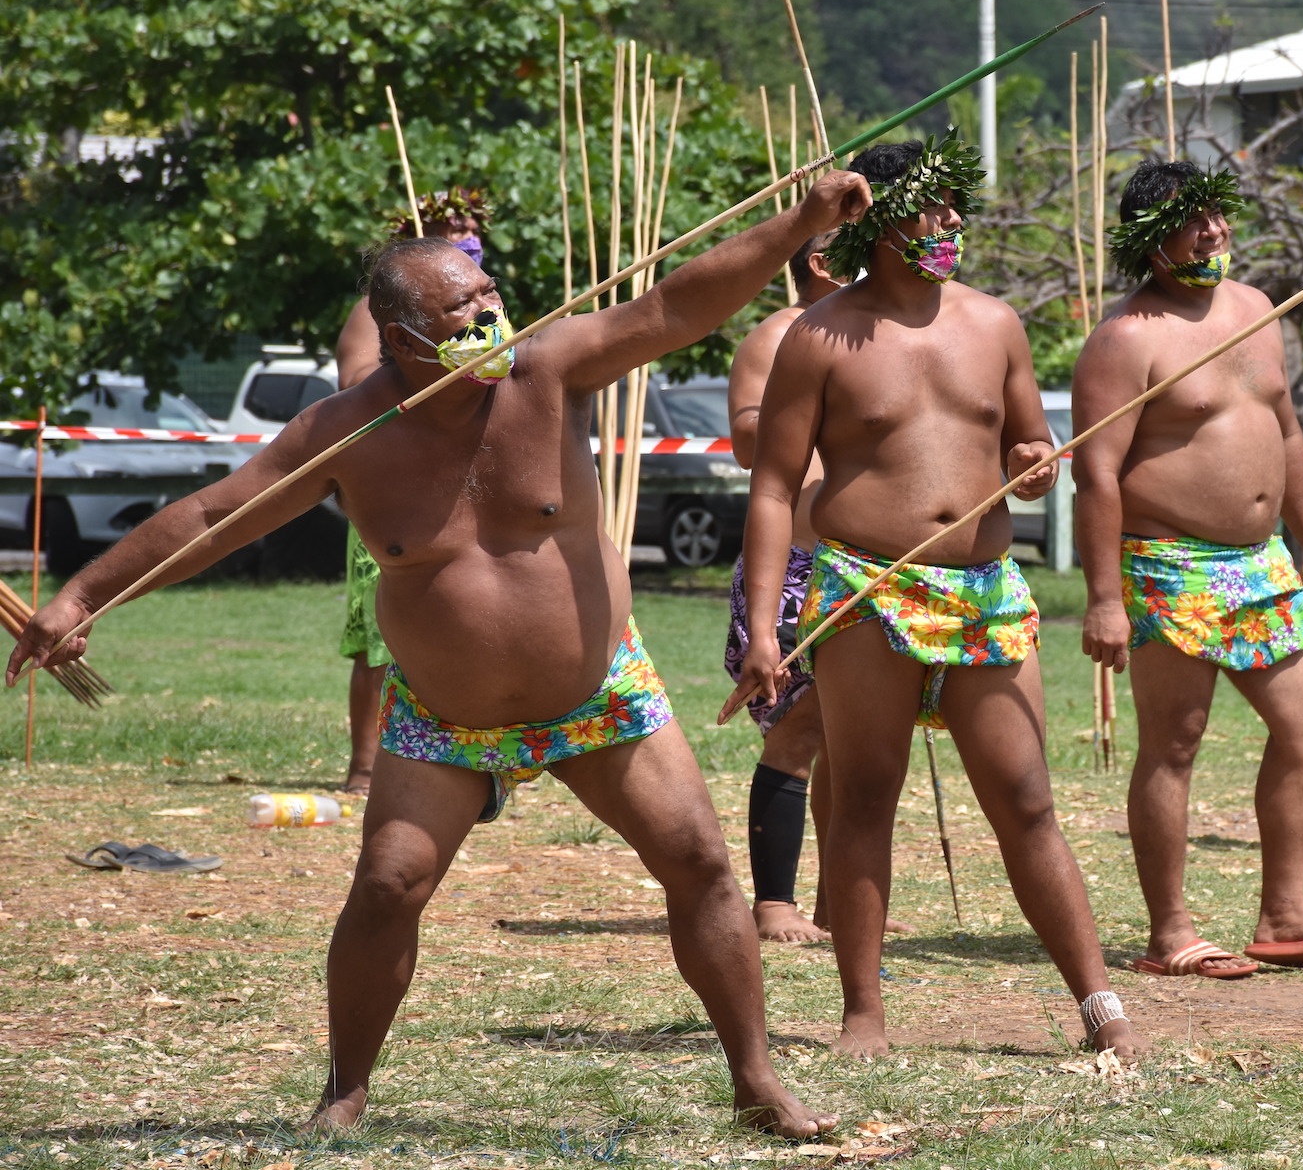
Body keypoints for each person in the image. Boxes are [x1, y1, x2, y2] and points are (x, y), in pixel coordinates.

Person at [9, 170, 873, 1138]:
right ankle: (343, 1090)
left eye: (491, 297)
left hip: (597, 691)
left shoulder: (550, 369)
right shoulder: (348, 432)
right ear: (405, 342)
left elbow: (677, 304)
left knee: (701, 862)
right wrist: (86, 592)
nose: (490, 319)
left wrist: (797, 222)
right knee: (387, 882)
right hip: (443, 714)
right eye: (464, 312)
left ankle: (756, 1078)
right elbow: (218, 513)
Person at [722, 130, 1144, 1060]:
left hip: (984, 591)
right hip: (867, 589)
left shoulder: (994, 324)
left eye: (955, 204)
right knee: (866, 794)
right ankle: (862, 1014)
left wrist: (1035, 468)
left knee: (1027, 798)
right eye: (929, 205)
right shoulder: (817, 337)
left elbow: (1030, 444)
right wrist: (764, 625)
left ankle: (1099, 1006)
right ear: (872, 217)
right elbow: (771, 486)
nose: (951, 220)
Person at [1073, 160, 1303, 978]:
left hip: (1261, 560)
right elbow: (1097, 472)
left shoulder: (1253, 310)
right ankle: (1170, 934)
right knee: (1176, 740)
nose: (1215, 232)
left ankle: (1285, 916)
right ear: (1149, 238)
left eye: (1218, 216)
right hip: (1170, 561)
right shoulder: (1125, 339)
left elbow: (1284, 433)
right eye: (1193, 221)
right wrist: (1104, 597)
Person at [333, 187, 491, 797]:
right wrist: (427, 367)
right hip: (395, 497)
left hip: (463, 496)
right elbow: (354, 385)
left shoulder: (477, 312)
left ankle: (471, 760)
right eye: (454, 234)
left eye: (473, 238)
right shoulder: (371, 315)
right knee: (380, 638)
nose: (466, 243)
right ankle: (365, 767)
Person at [725, 233, 841, 943]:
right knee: (801, 730)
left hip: (873, 565)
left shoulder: (887, 334)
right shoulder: (774, 338)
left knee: (855, 738)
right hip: (796, 566)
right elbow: (746, 441)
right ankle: (774, 901)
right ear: (822, 262)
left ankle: (842, 896)